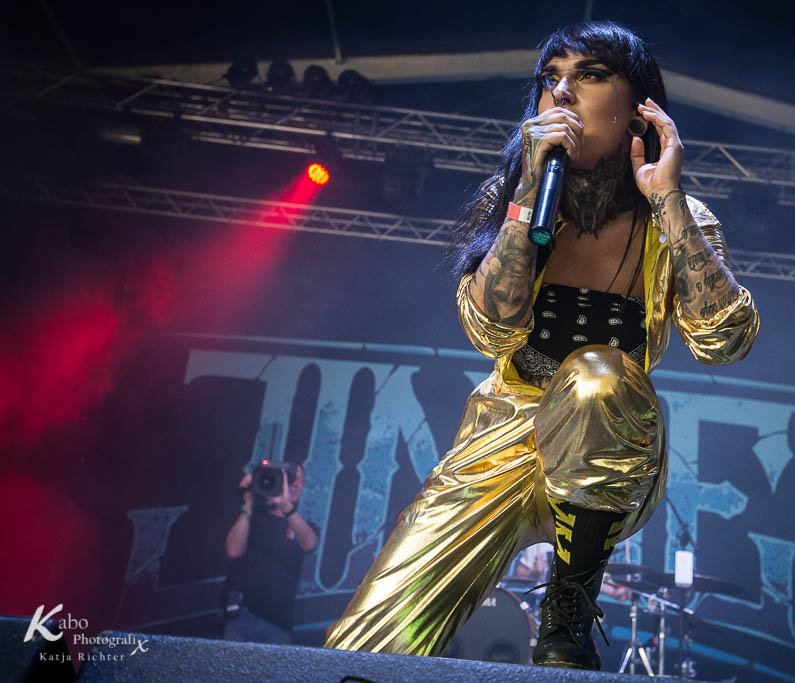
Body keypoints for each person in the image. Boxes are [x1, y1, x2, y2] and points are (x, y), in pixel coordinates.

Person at [324, 21, 759, 670]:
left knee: (597, 374)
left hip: (610, 442)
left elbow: (724, 340)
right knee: (362, 650)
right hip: (501, 433)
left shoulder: (679, 219)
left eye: (589, 75)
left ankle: (570, 604)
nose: (562, 92)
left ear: (638, 107)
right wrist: (528, 196)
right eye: (550, 78)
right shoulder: (513, 201)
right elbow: (490, 330)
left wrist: (667, 200)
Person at [223, 463, 319, 644]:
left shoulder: (304, 527)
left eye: (300, 481)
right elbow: (234, 551)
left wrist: (286, 506)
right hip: (242, 616)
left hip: (279, 622)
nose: (296, 485)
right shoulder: (252, 517)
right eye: (290, 480)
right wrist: (249, 501)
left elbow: (309, 544)